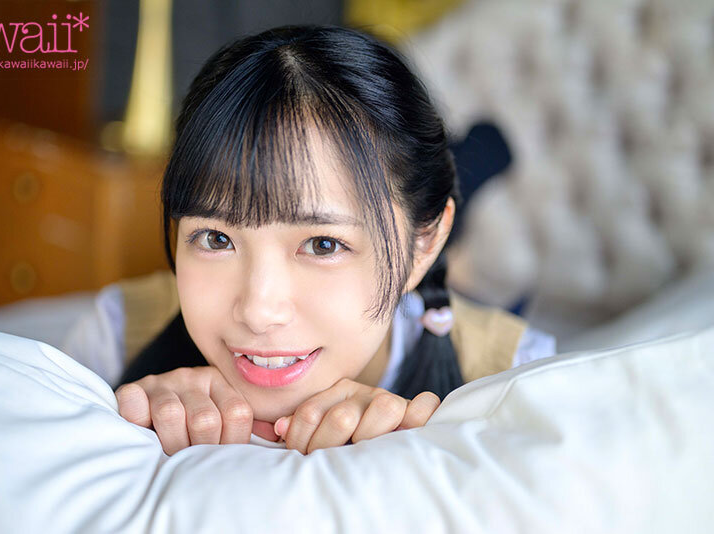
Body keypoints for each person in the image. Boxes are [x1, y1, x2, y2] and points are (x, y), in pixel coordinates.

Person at [113, 24, 555, 457]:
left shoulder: (520, 378)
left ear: (424, 244)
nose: (258, 313)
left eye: (323, 244)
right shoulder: (112, 334)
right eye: (216, 238)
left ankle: (473, 162)